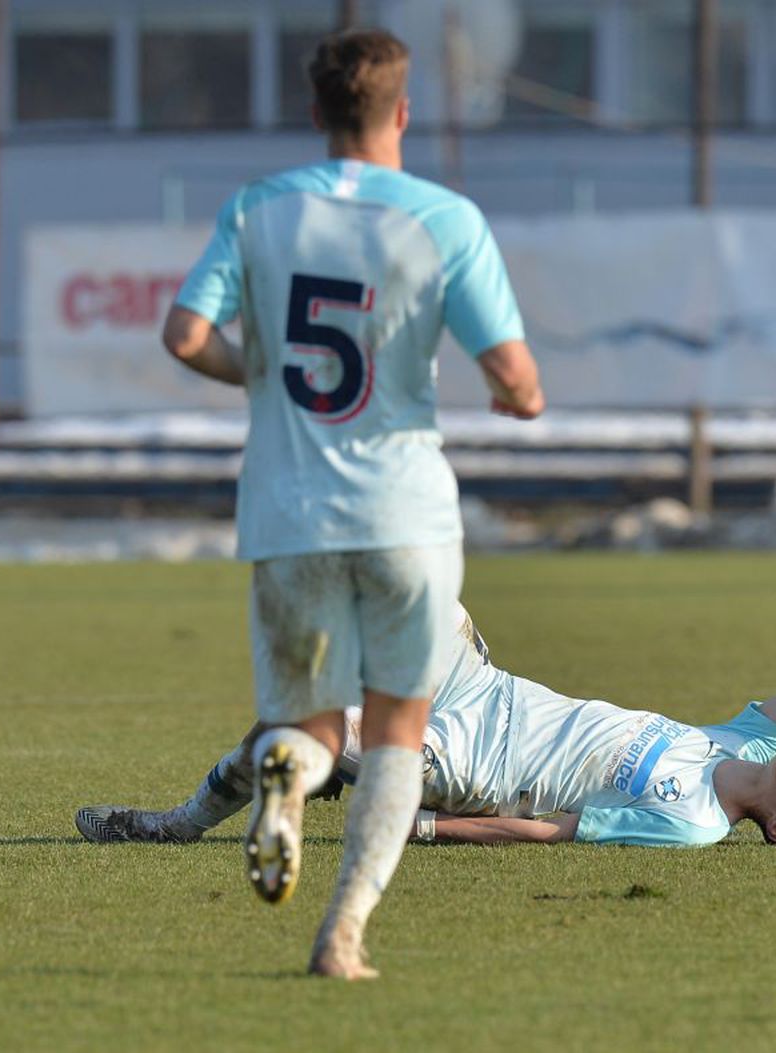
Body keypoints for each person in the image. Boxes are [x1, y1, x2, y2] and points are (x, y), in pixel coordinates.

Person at [161, 28, 544, 980]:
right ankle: (342, 936)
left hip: (290, 516)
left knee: (309, 724)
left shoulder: (258, 209)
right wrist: (516, 392)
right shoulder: (445, 219)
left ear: (315, 114)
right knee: (398, 732)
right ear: (404, 113)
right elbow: (516, 377)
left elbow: (183, 335)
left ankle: (285, 781)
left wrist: (255, 369)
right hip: (406, 515)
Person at [77, 605, 776, 855]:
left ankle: (171, 822)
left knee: (287, 733)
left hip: (474, 760)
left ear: (775, 830)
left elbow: (557, 829)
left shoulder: (690, 820)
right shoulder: (740, 740)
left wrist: (435, 827)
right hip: (481, 684)